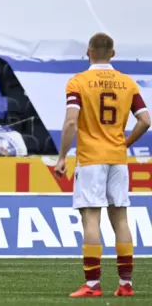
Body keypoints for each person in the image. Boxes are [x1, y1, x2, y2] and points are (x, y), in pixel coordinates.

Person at [54, 33, 150, 297]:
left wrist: (62, 156)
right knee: (120, 219)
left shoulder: (79, 82)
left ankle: (93, 285)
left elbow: (72, 122)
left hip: (91, 158)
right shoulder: (127, 83)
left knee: (91, 219)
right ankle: (126, 284)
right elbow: (145, 119)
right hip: (118, 159)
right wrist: (126, 142)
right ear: (113, 54)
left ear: (88, 52)